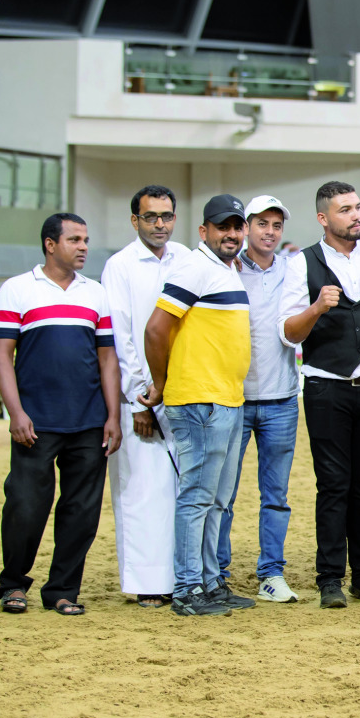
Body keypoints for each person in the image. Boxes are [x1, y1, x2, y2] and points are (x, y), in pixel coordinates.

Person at [0, 213, 122, 615]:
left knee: (80, 512)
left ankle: (63, 590)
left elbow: (107, 360)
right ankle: (13, 584)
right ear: (51, 244)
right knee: (26, 506)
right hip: (36, 422)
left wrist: (113, 416)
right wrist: (15, 412)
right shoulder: (17, 290)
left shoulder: (96, 293)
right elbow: (1, 356)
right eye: (74, 239)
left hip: (88, 422)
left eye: (85, 239)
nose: (83, 246)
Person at [279, 182, 360, 608]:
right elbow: (288, 331)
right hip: (326, 387)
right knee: (333, 484)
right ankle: (329, 577)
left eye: (358, 207)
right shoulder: (301, 264)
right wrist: (316, 308)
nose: (356, 215)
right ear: (323, 218)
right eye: (345, 209)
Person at [143, 194, 253, 617]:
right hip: (201, 399)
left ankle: (210, 582)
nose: (232, 234)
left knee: (217, 499)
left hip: (225, 398)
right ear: (204, 231)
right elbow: (157, 329)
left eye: (236, 226)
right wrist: (161, 383)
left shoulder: (223, 270)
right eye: (222, 227)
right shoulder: (193, 266)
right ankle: (188, 588)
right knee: (197, 496)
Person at [101, 185, 188, 607]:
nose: (160, 224)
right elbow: (123, 338)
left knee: (182, 489)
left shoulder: (186, 259)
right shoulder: (119, 266)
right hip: (142, 399)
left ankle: (183, 576)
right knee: (143, 490)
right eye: (151, 217)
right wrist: (140, 400)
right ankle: (149, 584)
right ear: (135, 220)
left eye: (166, 216)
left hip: (185, 392)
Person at [218, 195, 302, 605]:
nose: (269, 232)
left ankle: (271, 573)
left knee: (276, 496)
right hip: (232, 398)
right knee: (224, 495)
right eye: (261, 224)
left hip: (282, 399)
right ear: (245, 227)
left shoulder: (293, 269)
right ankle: (217, 573)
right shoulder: (225, 270)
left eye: (276, 225)